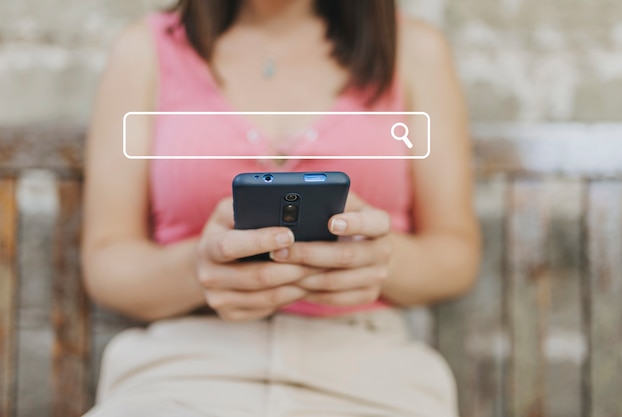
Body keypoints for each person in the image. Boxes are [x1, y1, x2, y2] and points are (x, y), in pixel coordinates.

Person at [81, 0, 481, 416]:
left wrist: (378, 259)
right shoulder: (144, 51)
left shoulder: (416, 50)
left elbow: (455, 253)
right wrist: (199, 269)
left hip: (367, 366)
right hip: (186, 364)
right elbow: (108, 259)